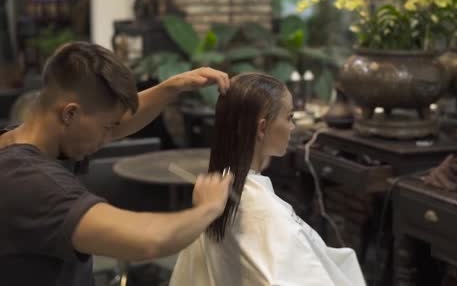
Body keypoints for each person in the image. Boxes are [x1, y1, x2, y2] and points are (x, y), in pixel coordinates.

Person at [0, 41, 234, 285]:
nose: (108, 138)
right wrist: (209, 207)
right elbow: (149, 240)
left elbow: (116, 121)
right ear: (69, 113)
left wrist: (171, 88)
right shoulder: (31, 183)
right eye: (107, 128)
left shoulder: (22, 140)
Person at [170, 73, 365, 286]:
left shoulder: (212, 192)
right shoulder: (264, 212)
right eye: (289, 117)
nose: (292, 127)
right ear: (262, 128)